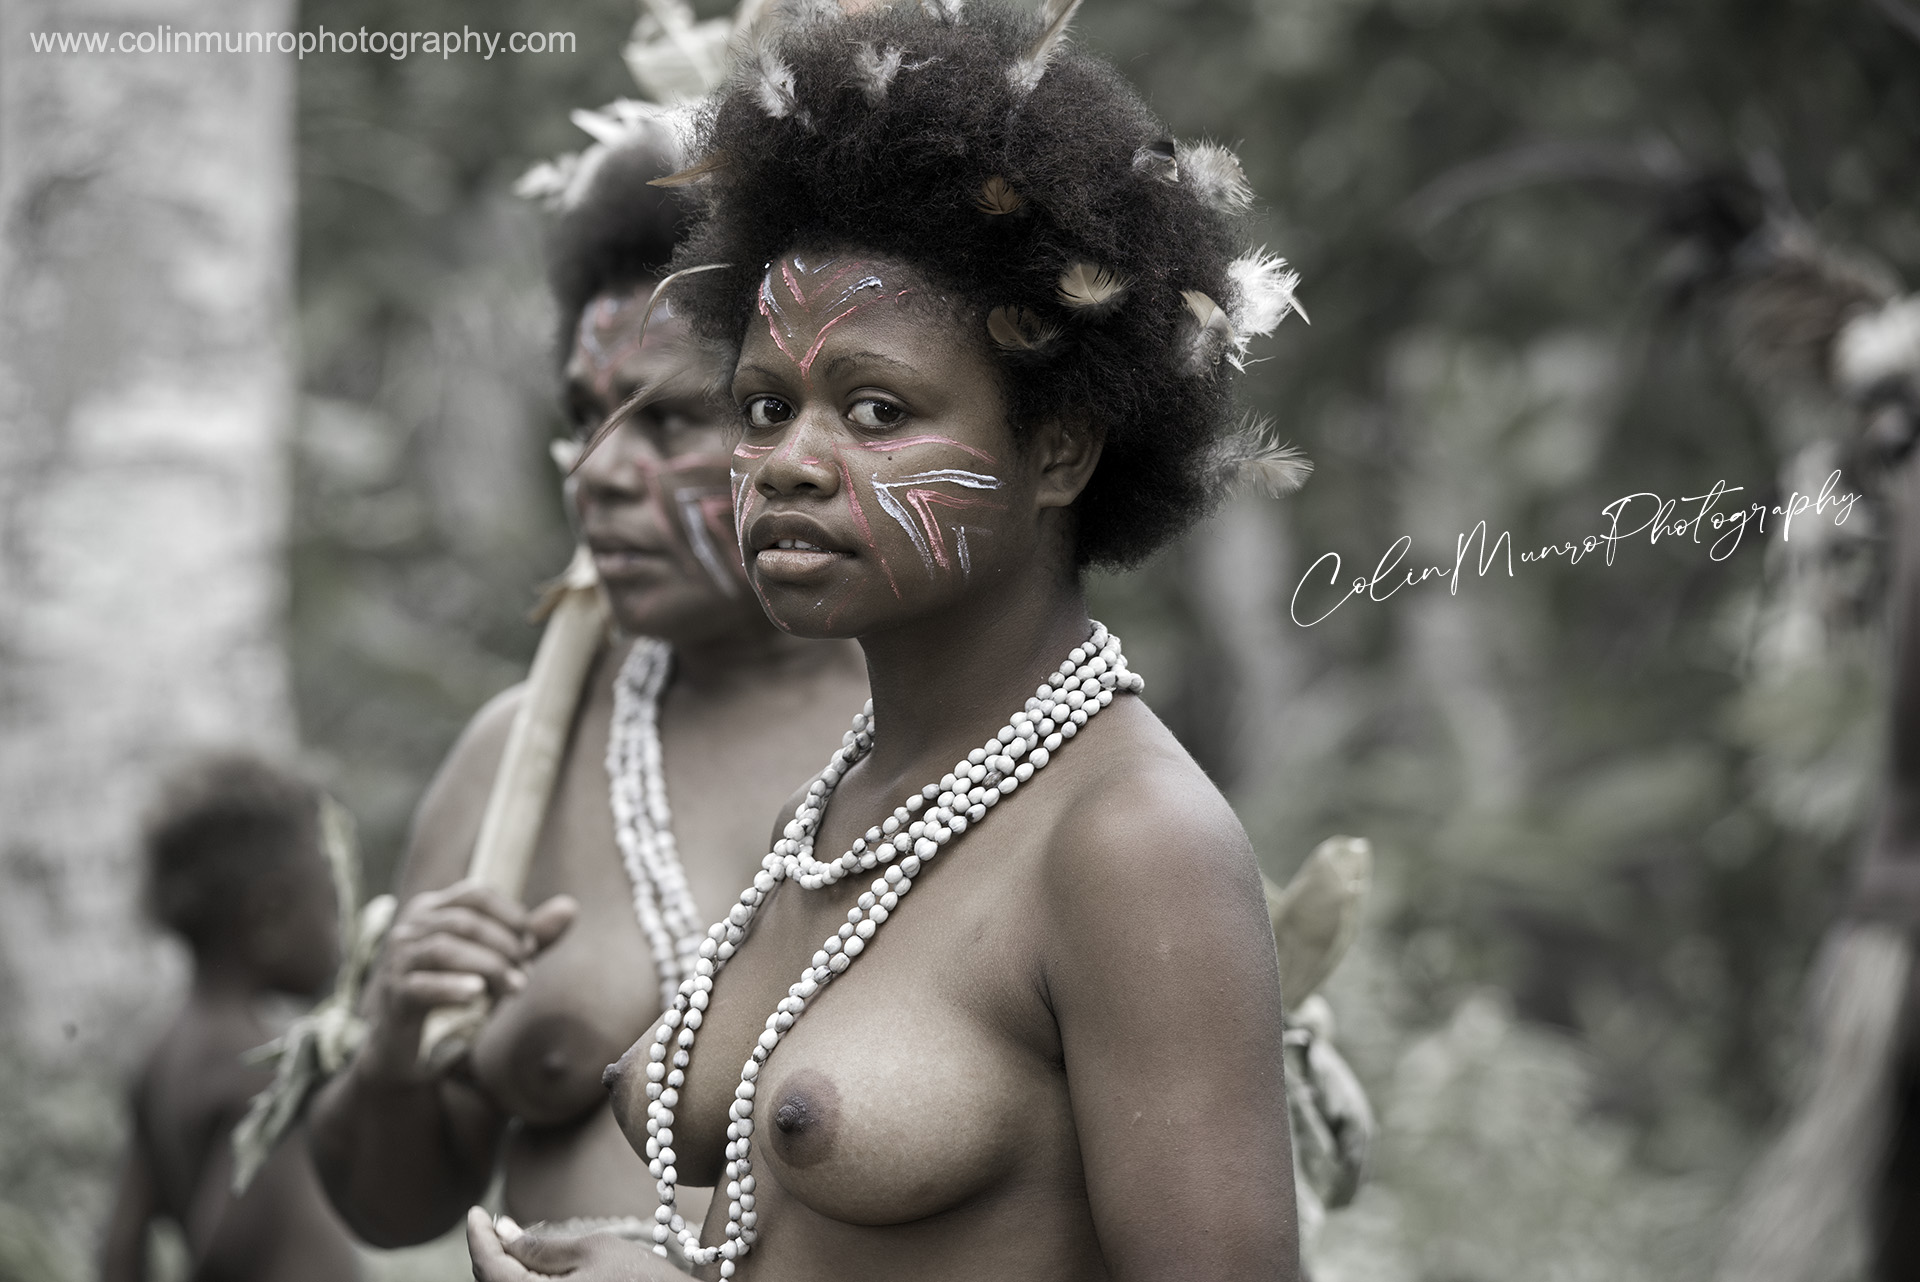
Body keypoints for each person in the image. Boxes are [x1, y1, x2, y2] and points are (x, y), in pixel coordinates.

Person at [467, 2, 1307, 1277]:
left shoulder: (1133, 844)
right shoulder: (848, 804)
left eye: (875, 410)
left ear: (1059, 449)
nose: (789, 462)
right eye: (764, 407)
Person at [305, 123, 869, 1244]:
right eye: (581, 421)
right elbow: (389, 1208)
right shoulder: (517, 759)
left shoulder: (950, 739)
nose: (597, 473)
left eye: (666, 420)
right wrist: (394, 1049)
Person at [101, 754, 362, 1282]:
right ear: (269, 918)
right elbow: (234, 1252)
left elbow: (122, 1245)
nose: (342, 931)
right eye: (331, 904)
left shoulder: (159, 1056)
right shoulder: (264, 1067)